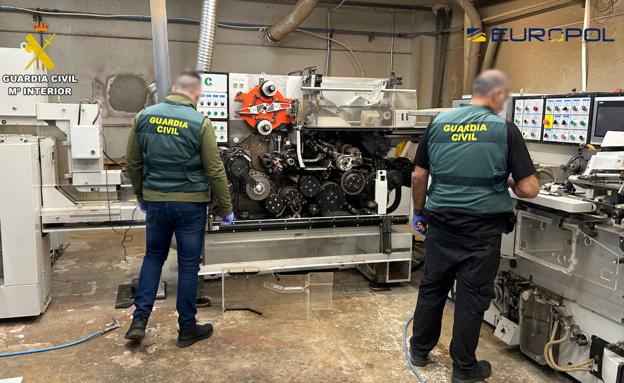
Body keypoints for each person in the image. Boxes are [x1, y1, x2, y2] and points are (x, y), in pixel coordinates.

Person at [409, 70, 540, 383]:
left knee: (432, 287)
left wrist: (418, 211)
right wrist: (506, 179)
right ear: (496, 97)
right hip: (482, 231)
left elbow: (417, 175)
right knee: (471, 297)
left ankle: (419, 351)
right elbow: (530, 189)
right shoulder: (505, 129)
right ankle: (464, 369)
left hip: (440, 223)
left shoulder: (438, 122)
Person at [124, 70, 234, 348]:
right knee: (188, 266)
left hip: (157, 203)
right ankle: (186, 329)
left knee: (153, 257)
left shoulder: (144, 117)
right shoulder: (200, 122)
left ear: (173, 88)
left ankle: (139, 321)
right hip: (190, 204)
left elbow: (133, 163)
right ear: (197, 94)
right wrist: (226, 207)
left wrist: (142, 195)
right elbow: (215, 169)